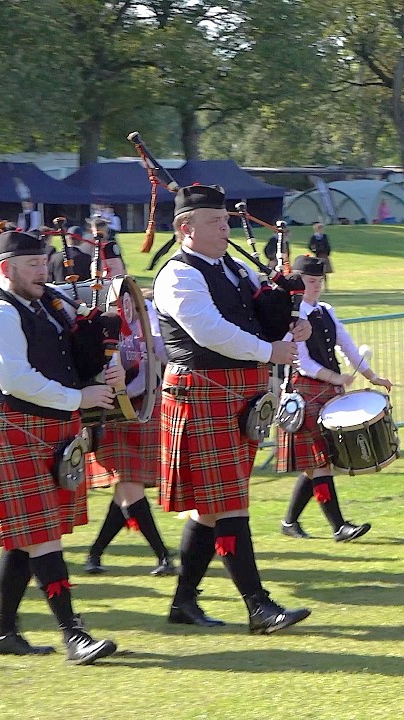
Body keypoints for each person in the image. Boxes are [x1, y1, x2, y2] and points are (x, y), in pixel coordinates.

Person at [153, 184, 313, 634]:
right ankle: (258, 607)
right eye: (213, 221)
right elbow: (210, 332)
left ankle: (184, 602)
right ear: (186, 229)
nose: (225, 227)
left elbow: (257, 313)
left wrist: (290, 322)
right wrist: (270, 351)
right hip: (202, 392)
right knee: (228, 504)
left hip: (238, 396)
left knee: (210, 506)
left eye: (225, 220)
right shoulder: (178, 276)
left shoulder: (234, 268)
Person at [0, 230, 121, 663]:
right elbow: (15, 379)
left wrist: (97, 371)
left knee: (24, 537)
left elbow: (62, 358)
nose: (41, 271)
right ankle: (75, 636)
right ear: (4, 270)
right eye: (31, 265)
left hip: (44, 427)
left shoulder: (43, 306)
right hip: (10, 427)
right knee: (41, 535)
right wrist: (78, 399)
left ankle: (3, 632)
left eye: (43, 262)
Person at [278, 255, 390, 542]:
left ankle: (289, 522)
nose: (315, 287)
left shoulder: (326, 310)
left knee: (316, 465)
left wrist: (371, 375)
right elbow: (301, 361)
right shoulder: (292, 316)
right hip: (304, 392)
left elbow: (347, 345)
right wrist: (336, 377)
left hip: (327, 394)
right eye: (309, 282)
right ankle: (339, 527)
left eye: (319, 281)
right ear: (298, 283)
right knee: (320, 465)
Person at [82, 255, 175, 577]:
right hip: (114, 417)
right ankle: (163, 556)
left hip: (144, 412)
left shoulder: (148, 328)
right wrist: (120, 386)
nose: (128, 307)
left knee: (125, 490)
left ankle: (94, 554)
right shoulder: (104, 329)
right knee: (130, 487)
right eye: (122, 302)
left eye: (131, 301)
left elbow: (154, 368)